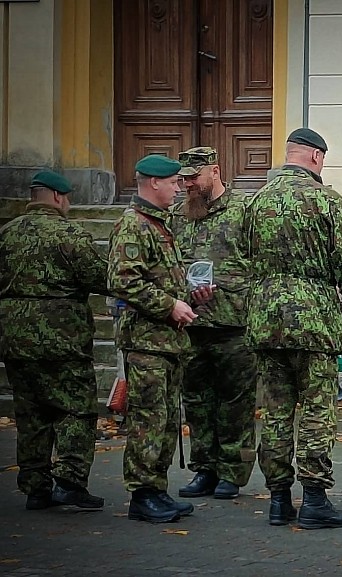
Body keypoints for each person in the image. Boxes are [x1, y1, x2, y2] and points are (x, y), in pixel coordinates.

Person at [245, 127, 342, 529]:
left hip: (266, 317)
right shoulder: (327, 201)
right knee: (317, 407)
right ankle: (315, 498)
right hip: (313, 317)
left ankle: (279, 499)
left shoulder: (255, 201)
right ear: (316, 157)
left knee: (277, 410)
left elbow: (243, 257)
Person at [108, 154, 213, 524]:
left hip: (166, 342)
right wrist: (170, 306)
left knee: (166, 419)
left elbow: (159, 277)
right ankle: (142, 493)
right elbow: (123, 280)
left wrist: (190, 295)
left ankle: (156, 488)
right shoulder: (134, 225)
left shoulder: (158, 225)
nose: (178, 188)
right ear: (154, 183)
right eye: (172, 183)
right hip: (146, 342)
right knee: (147, 419)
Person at [0, 170, 108, 510]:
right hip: (62, 339)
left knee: (30, 413)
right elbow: (100, 277)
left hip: (15, 338)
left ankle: (35, 486)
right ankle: (70, 480)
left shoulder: (6, 234)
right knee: (75, 408)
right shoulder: (70, 235)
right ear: (60, 198)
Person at [169, 147, 257, 500]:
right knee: (197, 401)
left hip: (234, 324)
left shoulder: (244, 212)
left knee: (234, 403)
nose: (187, 184)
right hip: (190, 323)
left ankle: (232, 472)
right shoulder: (178, 215)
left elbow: (259, 261)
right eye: (183, 179)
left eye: (193, 177)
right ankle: (204, 468)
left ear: (215, 172)